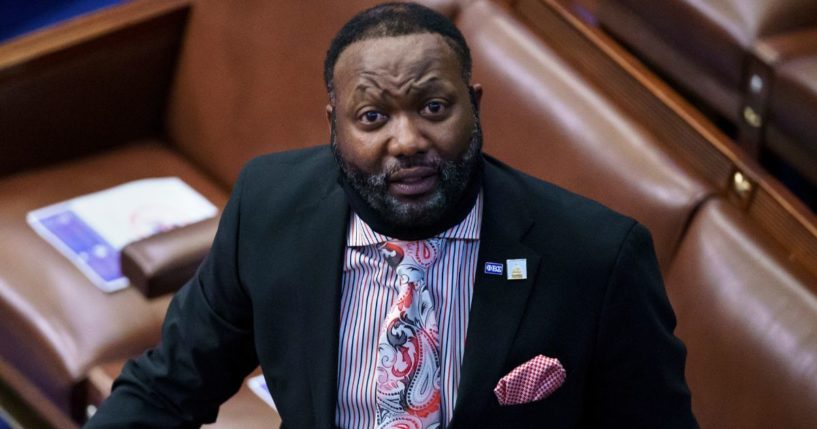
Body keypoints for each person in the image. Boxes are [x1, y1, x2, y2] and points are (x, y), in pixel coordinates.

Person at [86, 2, 697, 428]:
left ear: (475, 106)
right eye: (373, 116)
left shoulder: (593, 258)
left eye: (434, 106)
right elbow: (168, 386)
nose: (407, 141)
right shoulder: (269, 208)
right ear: (334, 126)